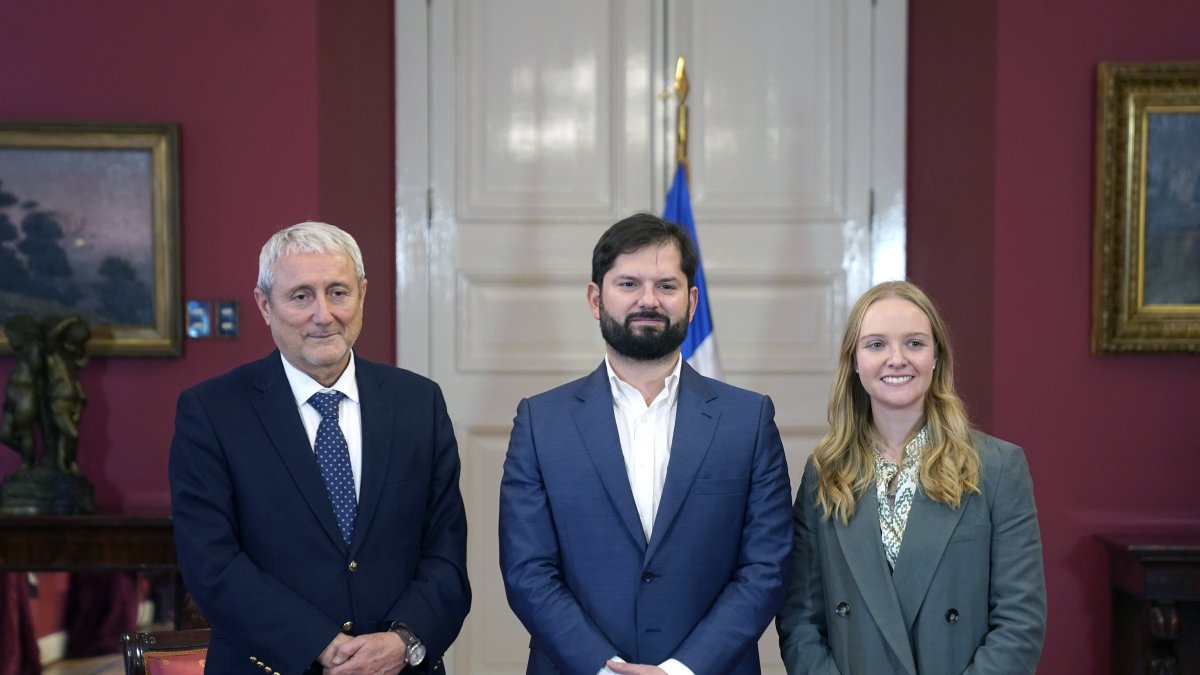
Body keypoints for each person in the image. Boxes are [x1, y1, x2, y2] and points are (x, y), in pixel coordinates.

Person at [169, 221, 470, 674]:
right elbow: (211, 564)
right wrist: (323, 645)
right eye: (301, 296)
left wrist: (402, 641)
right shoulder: (211, 412)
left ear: (363, 295)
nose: (324, 314)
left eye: (338, 292)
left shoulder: (418, 402)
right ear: (264, 306)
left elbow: (445, 551)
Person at [499, 213, 793, 675]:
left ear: (692, 302)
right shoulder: (540, 422)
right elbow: (527, 570)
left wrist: (682, 670)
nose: (648, 301)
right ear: (596, 299)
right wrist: (604, 668)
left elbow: (766, 567)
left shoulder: (748, 420)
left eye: (666, 286)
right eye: (629, 283)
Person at [776, 281, 1045, 674]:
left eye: (915, 343)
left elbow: (1020, 621)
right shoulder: (825, 471)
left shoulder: (998, 467)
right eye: (876, 344)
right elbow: (800, 620)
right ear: (854, 361)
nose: (896, 359)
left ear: (937, 356)